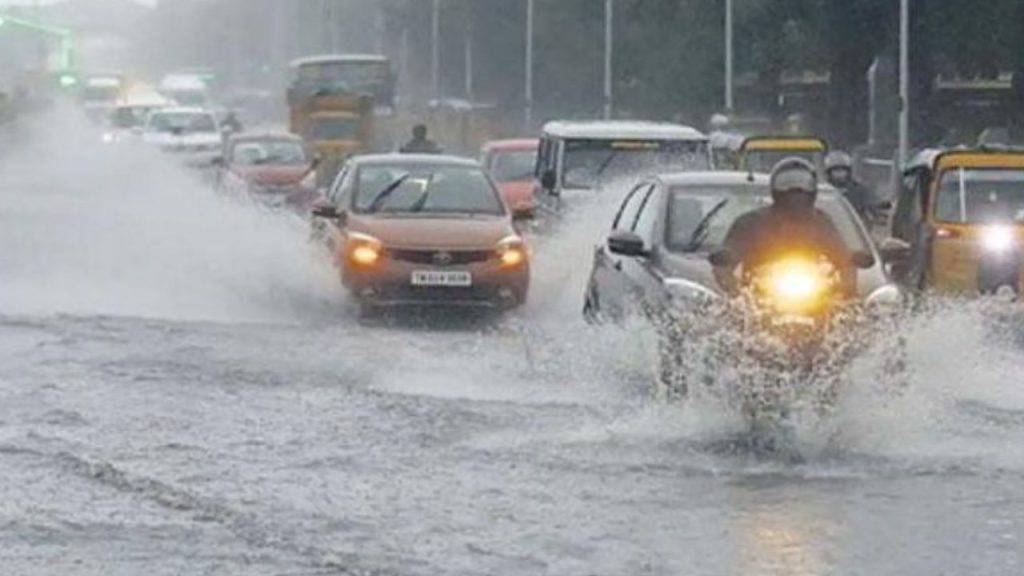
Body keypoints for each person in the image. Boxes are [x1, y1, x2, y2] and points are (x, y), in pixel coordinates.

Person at [713, 157, 855, 296]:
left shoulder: (822, 222)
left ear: (813, 189)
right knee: (729, 317)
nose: (795, 192)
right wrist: (735, 290)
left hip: (816, 298)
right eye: (786, 185)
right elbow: (727, 259)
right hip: (759, 300)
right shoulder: (751, 223)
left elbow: (843, 258)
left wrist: (844, 287)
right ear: (775, 188)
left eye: (802, 186)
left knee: (849, 316)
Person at [824, 151, 872, 221]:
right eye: (836, 171)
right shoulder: (825, 191)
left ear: (848, 172)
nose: (840, 174)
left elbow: (867, 213)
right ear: (829, 173)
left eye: (842, 171)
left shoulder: (859, 191)